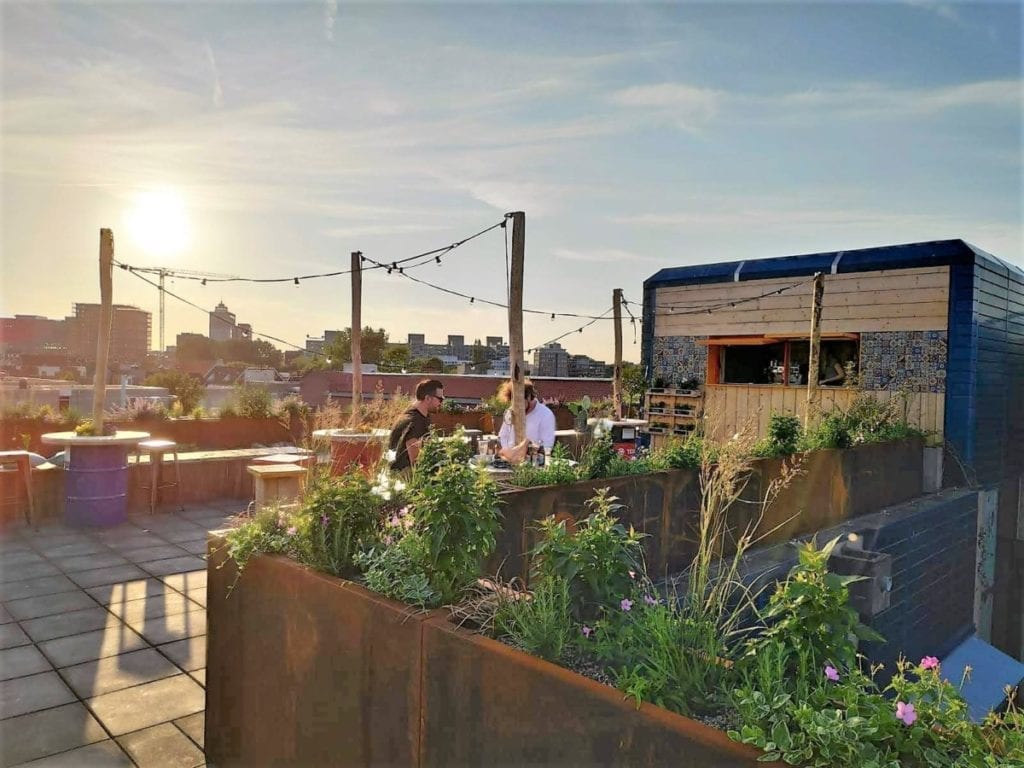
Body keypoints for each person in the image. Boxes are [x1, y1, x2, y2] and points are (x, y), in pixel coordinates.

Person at [388, 378, 444, 471]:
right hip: (405, 474)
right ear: (427, 398)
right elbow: (415, 461)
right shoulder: (415, 421)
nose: (441, 402)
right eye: (440, 399)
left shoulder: (422, 416)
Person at [497, 382, 556, 463]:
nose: (516, 407)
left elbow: (547, 447)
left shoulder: (546, 414)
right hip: (507, 462)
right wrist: (508, 452)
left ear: (528, 397)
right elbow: (502, 437)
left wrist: (524, 448)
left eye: (520, 403)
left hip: (532, 464)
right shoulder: (511, 411)